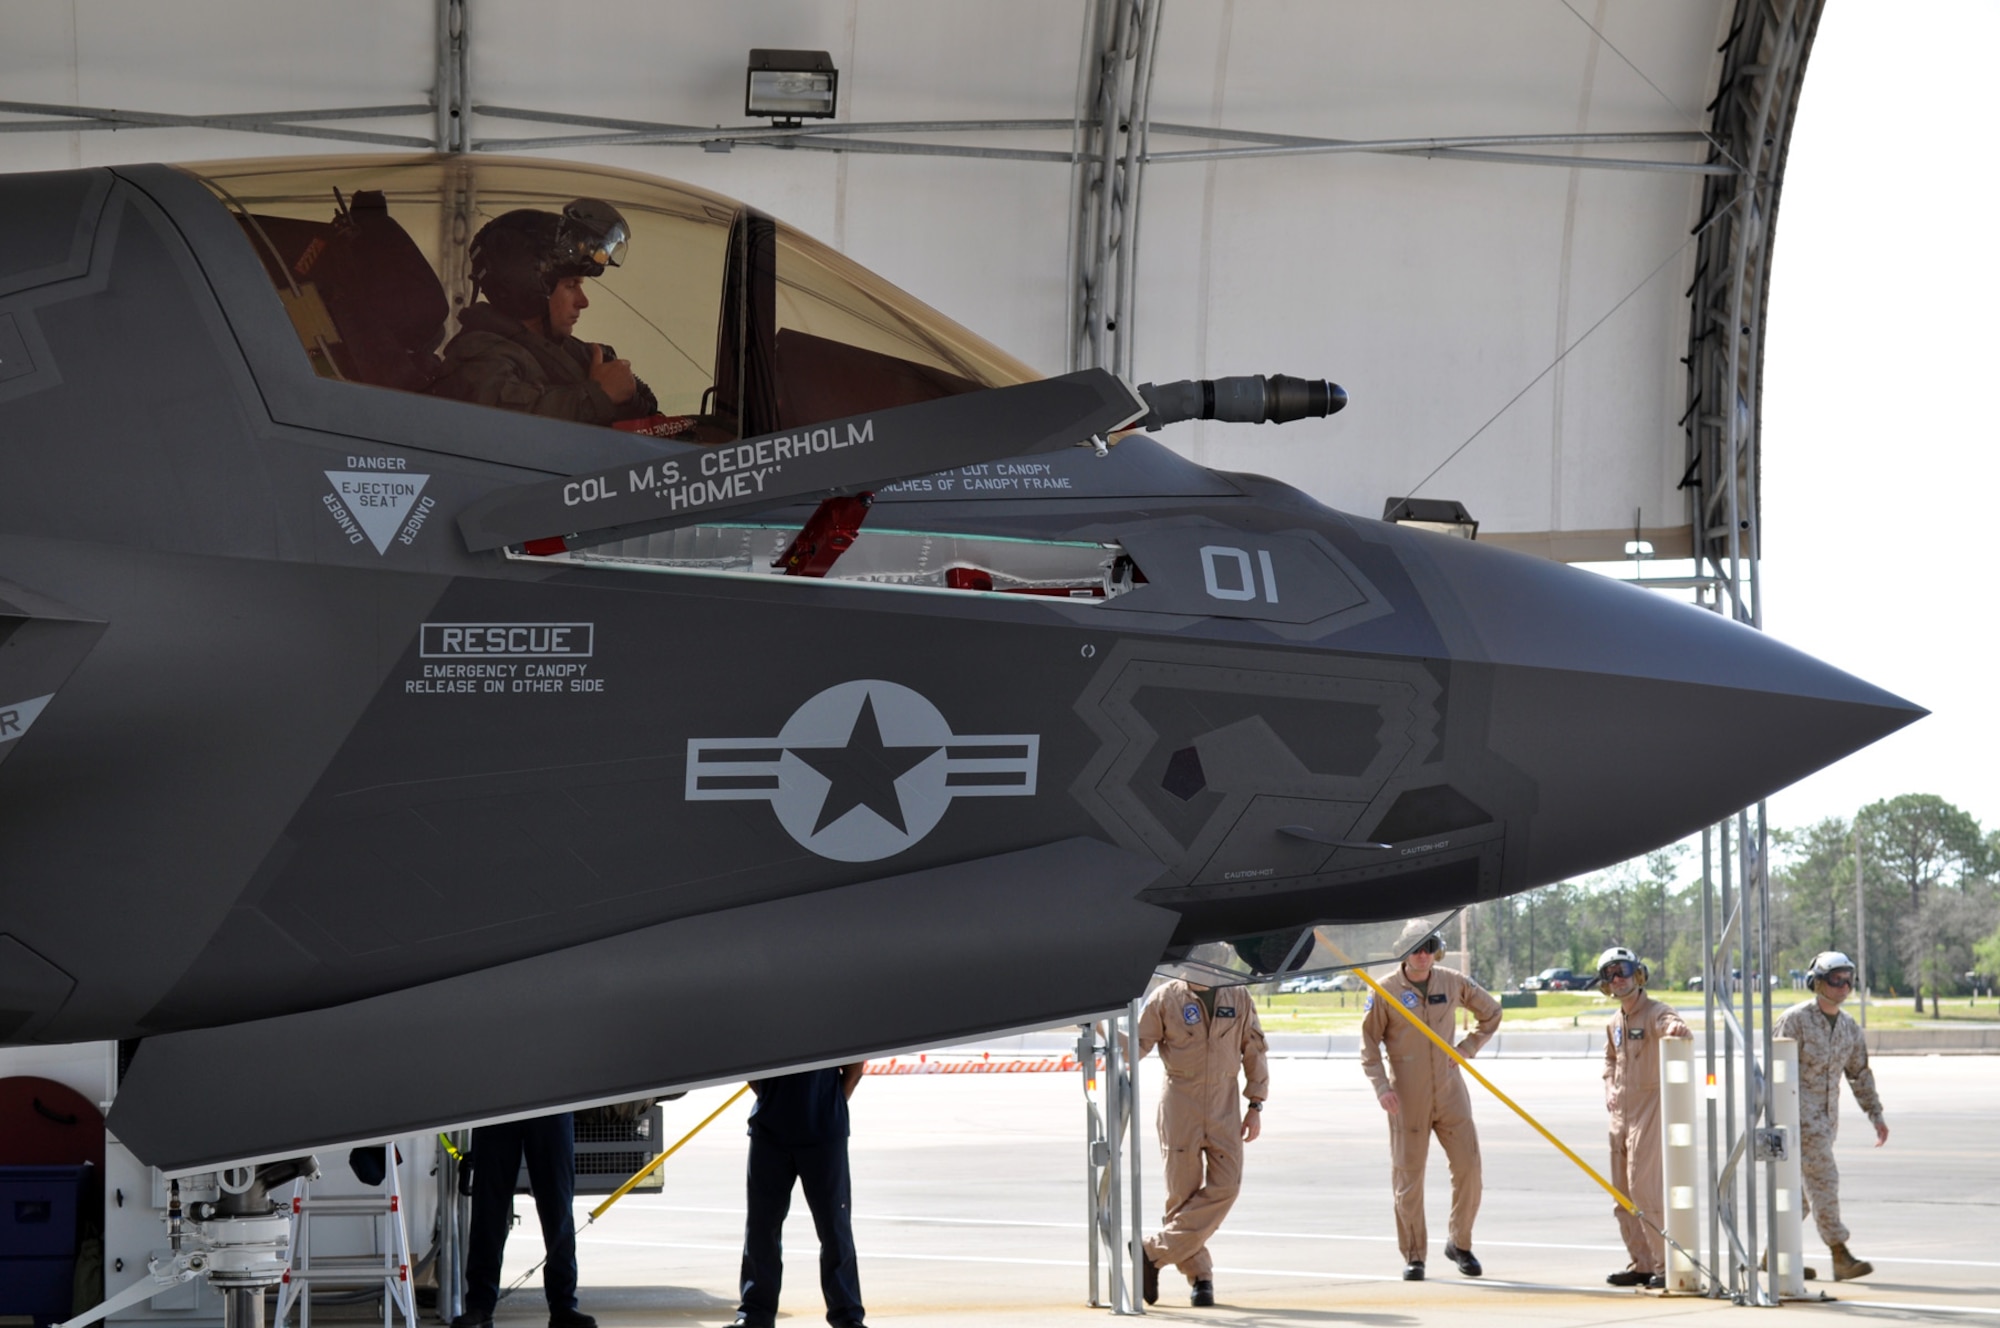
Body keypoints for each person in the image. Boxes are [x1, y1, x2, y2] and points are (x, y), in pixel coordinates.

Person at [429, 199, 660, 425]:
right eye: (571, 286)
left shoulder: (569, 351)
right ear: (527, 289)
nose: (583, 302)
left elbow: (648, 409)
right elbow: (510, 428)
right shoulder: (478, 357)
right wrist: (599, 395)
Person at [1359, 928, 1502, 1281]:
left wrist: (1468, 1048)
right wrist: (1381, 1087)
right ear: (1402, 951)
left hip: (1451, 1091)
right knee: (1408, 1178)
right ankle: (1414, 1255)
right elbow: (1369, 1044)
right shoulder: (1384, 991)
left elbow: (1492, 1012)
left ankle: (1460, 1243)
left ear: (1437, 951)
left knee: (1469, 1169)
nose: (1422, 954)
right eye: (1415, 948)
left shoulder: (1453, 982)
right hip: (1406, 1097)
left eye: (1429, 947)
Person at [1136, 955, 1269, 1308]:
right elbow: (1137, 1044)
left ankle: (1151, 1252)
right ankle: (1200, 1277)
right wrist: (1102, 1034)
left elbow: (1254, 1049)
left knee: (1227, 1186)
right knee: (1182, 1195)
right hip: (1181, 1106)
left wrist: (1256, 1105)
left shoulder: (1238, 996)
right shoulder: (1165, 998)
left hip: (1225, 1105)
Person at [1776, 950, 1887, 1281]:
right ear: (1816, 982)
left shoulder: (1849, 1027)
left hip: (1825, 1121)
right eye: (1836, 979)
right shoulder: (1794, 1020)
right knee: (1824, 1181)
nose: (1844, 986)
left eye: (1848, 980)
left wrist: (1875, 1114)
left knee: (1802, 1195)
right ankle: (1840, 1253)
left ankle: (1774, 1254)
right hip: (1795, 1118)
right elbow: (1773, 1070)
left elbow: (1859, 1074)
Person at [734, 1064, 868, 1328]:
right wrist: (773, 1100)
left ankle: (847, 1317)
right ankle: (755, 1316)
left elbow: (855, 1068)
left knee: (834, 1228)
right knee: (762, 1228)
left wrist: (828, 1104)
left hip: (824, 1133)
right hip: (770, 1132)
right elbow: (748, 1064)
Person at [1597, 945, 1692, 1288]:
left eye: (1622, 971)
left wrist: (1675, 1029)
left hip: (1648, 1112)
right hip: (1620, 1116)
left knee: (1644, 1190)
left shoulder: (1655, 1012)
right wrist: (1610, 1086)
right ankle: (1641, 1263)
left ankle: (1665, 1266)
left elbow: (1671, 1024)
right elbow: (1610, 1059)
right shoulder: (1614, 1022)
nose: (1618, 979)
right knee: (1621, 1195)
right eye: (1610, 974)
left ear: (1638, 974)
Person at [454, 1114, 594, 1328]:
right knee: (488, 1210)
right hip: (496, 1106)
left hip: (550, 1103)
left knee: (557, 1208)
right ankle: (480, 1305)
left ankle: (563, 1305)